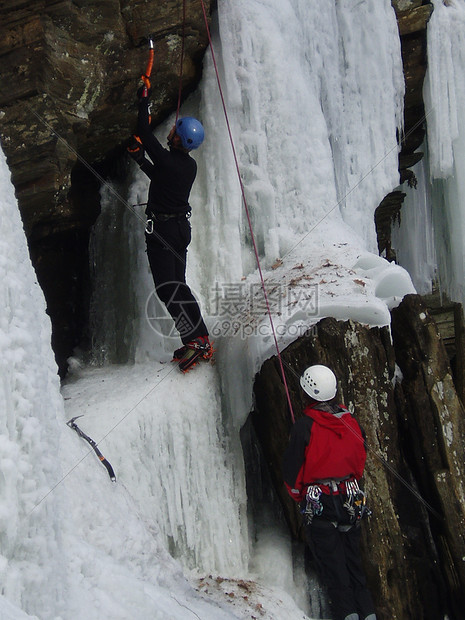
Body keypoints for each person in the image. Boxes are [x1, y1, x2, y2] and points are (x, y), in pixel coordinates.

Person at [127, 83, 212, 373]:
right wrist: (140, 159)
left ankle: (192, 339)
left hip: (163, 233)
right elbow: (159, 176)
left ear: (178, 140)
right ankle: (200, 336)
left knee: (167, 289)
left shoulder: (167, 159)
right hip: (178, 231)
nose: (171, 132)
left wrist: (144, 98)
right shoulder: (187, 166)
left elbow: (143, 129)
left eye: (175, 131)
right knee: (179, 286)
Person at [282, 364, 377, 620]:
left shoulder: (304, 426)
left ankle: (348, 615)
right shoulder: (351, 422)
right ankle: (367, 613)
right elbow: (359, 460)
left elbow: (292, 469)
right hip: (350, 498)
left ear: (307, 392)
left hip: (321, 502)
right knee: (354, 566)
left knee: (335, 572)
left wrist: (297, 492)